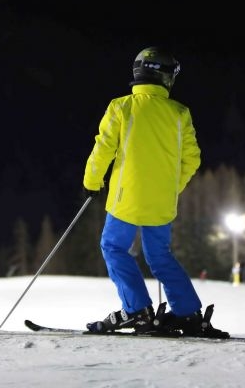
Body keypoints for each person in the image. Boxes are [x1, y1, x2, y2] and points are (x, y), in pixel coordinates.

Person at [82, 46, 228, 338]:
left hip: (126, 199)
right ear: (165, 77)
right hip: (162, 202)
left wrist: (92, 181)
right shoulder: (179, 113)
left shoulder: (121, 107)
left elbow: (103, 149)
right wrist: (171, 186)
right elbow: (192, 158)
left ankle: (136, 310)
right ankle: (188, 313)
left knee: (114, 248)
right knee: (159, 255)